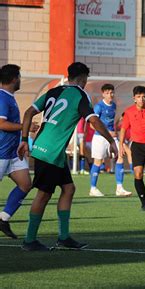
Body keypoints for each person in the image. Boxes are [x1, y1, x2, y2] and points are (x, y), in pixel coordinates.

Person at [17, 62, 118, 251]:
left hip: (48, 150)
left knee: (69, 188)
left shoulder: (54, 91)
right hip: (51, 152)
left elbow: (29, 112)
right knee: (44, 194)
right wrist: (111, 141)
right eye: (86, 79)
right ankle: (29, 240)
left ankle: (64, 238)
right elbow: (94, 120)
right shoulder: (80, 95)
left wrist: (24, 139)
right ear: (82, 78)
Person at [0, 64, 38, 239]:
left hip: (13, 152)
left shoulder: (9, 96)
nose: (20, 80)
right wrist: (25, 126)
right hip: (1, 152)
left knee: (25, 184)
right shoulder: (2, 97)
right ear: (14, 78)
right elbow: (1, 124)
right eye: (19, 77)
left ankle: (3, 219)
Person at [88, 84, 131, 197]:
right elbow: (92, 125)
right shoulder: (99, 107)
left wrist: (116, 129)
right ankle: (93, 188)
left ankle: (119, 188)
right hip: (99, 137)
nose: (110, 95)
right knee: (98, 161)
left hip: (112, 138)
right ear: (103, 94)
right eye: (107, 93)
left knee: (121, 155)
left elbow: (112, 123)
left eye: (111, 92)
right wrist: (107, 131)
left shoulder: (114, 106)